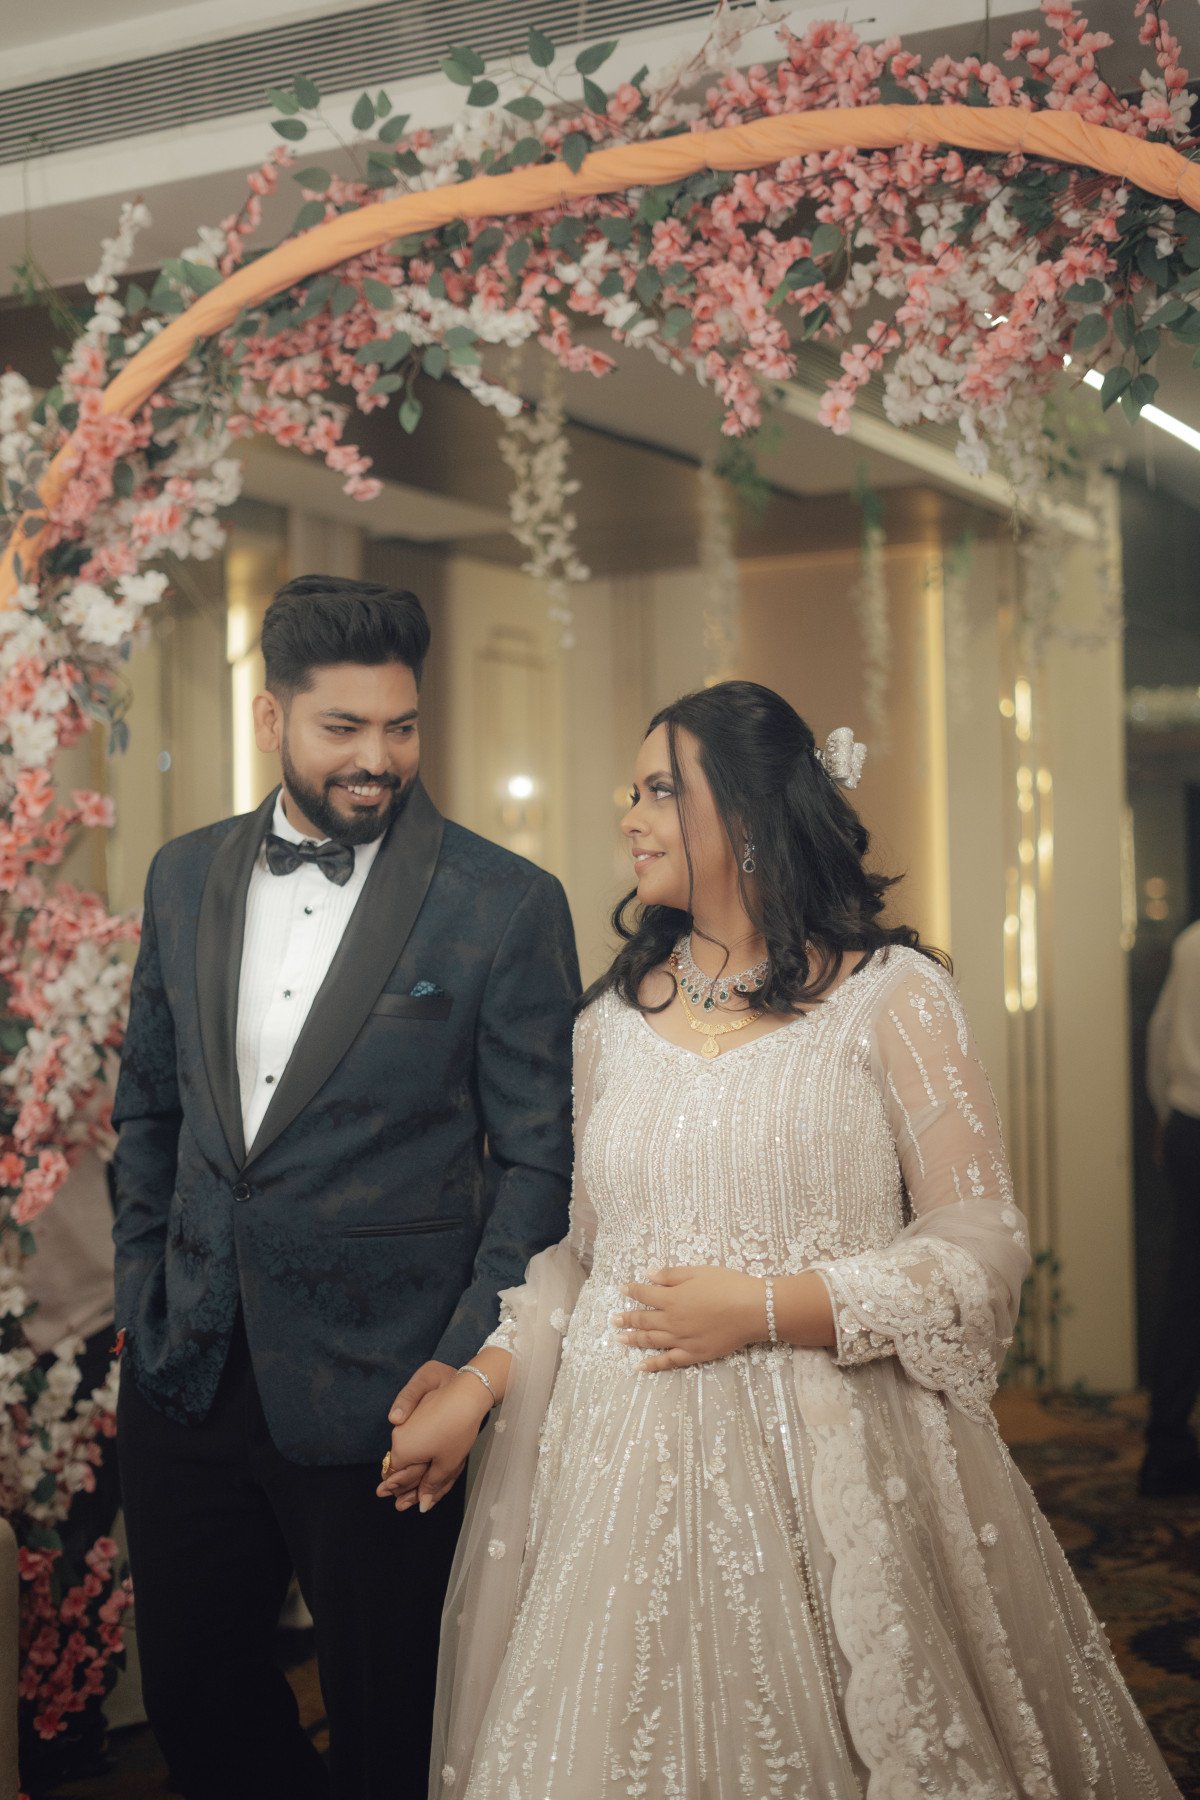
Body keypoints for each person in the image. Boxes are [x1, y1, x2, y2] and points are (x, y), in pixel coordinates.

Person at [381, 681, 1182, 1799]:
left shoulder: (893, 997)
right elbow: (585, 1260)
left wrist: (768, 1307)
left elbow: (982, 1244)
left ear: (749, 815)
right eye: (633, 792)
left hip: (833, 1463)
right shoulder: (608, 1025)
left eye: (660, 791)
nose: (631, 817)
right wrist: (478, 1385)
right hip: (619, 1482)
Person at [112, 576, 579, 1800]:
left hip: (390, 1387)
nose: (380, 758)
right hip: (188, 1369)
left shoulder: (504, 904)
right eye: (345, 728)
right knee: (197, 1705)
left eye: (402, 726)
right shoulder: (181, 875)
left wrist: (465, 1365)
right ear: (271, 717)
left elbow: (541, 1163)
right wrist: (143, 1292)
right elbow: (148, 1109)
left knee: (392, 1730)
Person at [1141, 918, 1200, 1496]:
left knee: (1187, 1287)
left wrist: (1166, 1115)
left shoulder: (1190, 942)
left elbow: (1159, 1037)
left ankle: (1167, 1443)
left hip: (1189, 1124)